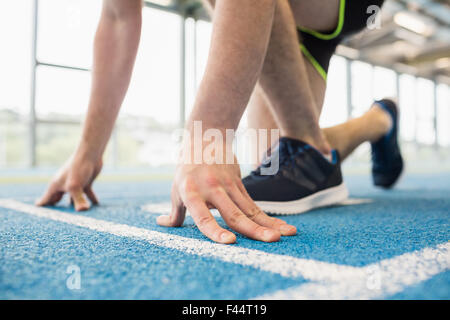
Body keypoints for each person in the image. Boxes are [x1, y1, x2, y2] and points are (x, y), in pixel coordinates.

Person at [36, 0, 402, 245]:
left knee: (293, 152)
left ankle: (307, 138)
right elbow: (117, 17)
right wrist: (89, 149)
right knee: (279, 161)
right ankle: (379, 120)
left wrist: (207, 138)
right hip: (277, 20)